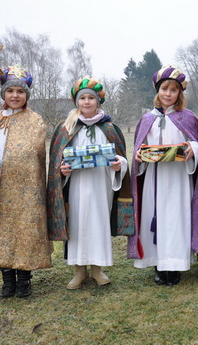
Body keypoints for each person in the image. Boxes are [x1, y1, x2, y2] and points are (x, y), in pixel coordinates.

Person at [0, 65, 52, 298]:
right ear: (3, 94)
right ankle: (7, 279)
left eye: (20, 91)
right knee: (0, 226)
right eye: (10, 91)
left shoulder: (34, 120)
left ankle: (24, 279)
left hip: (24, 187)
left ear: (27, 95)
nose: (15, 95)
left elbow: (30, 152)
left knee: (23, 227)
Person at [47, 76, 133, 290]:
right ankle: (79, 270)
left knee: (98, 223)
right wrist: (62, 171)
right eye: (82, 98)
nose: (86, 102)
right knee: (77, 224)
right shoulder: (66, 128)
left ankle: (97, 269)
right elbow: (57, 160)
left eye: (91, 98)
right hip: (76, 186)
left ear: (98, 102)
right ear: (76, 101)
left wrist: (118, 165)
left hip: (101, 185)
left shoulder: (110, 128)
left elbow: (122, 157)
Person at [127, 66, 198, 286]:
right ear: (158, 91)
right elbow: (139, 148)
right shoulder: (146, 119)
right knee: (155, 219)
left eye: (173, 90)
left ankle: (176, 266)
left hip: (178, 179)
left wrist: (193, 148)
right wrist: (140, 157)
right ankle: (159, 264)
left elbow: (197, 143)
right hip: (154, 179)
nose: (168, 93)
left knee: (176, 220)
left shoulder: (187, 117)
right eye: (164, 88)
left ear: (180, 94)